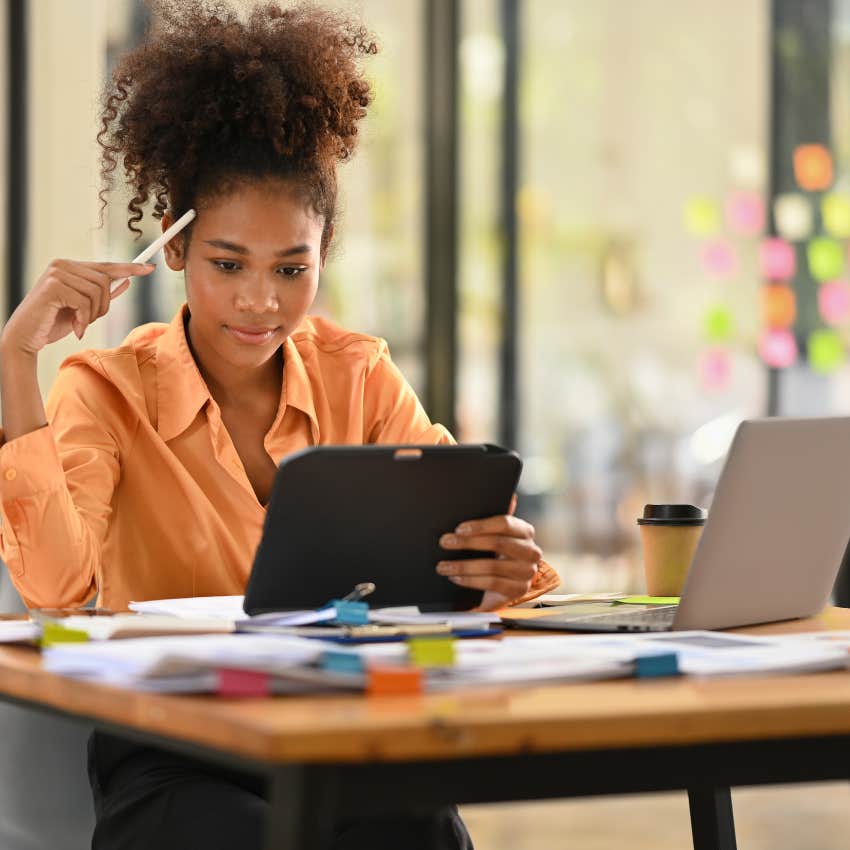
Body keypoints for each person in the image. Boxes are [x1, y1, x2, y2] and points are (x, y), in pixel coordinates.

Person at [0, 2, 559, 848]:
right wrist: (14, 359)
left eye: (292, 269)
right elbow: (55, 587)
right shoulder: (104, 390)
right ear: (175, 248)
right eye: (229, 265)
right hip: (174, 748)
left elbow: (483, 551)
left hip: (338, 727)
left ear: (323, 254)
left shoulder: (359, 374)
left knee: (423, 833)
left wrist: (508, 562)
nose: (261, 301)